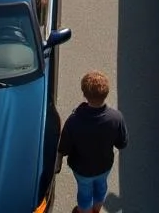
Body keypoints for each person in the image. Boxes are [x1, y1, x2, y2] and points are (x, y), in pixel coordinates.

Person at [57, 71, 129, 213]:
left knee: (84, 194)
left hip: (82, 169)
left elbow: (63, 149)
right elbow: (122, 143)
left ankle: (84, 211)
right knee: (101, 188)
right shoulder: (116, 117)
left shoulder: (73, 121)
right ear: (106, 93)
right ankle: (96, 209)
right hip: (104, 166)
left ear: (84, 94)